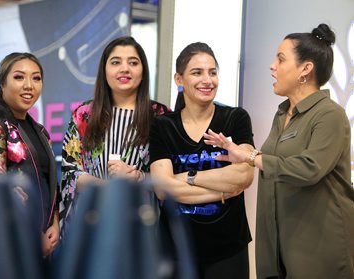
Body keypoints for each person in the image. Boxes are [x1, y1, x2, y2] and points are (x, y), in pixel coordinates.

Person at [204, 23, 354, 278]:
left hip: (318, 250)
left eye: (281, 59)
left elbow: (309, 169)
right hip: (278, 246)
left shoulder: (330, 115)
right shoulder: (283, 114)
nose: (272, 66)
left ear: (305, 69)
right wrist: (242, 156)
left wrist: (251, 157)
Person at [149, 42, 255, 278]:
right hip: (175, 250)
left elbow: (244, 175)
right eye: (197, 72)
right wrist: (225, 191)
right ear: (179, 79)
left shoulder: (235, 118)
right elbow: (163, 189)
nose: (207, 80)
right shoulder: (163, 126)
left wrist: (188, 177)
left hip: (228, 249)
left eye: (213, 72)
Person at [59, 36, 169, 237]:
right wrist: (109, 187)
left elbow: (171, 177)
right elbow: (70, 171)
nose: (124, 69)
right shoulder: (84, 114)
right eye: (116, 62)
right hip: (89, 225)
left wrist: (139, 177)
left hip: (142, 227)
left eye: (133, 63)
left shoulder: (160, 116)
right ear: (104, 70)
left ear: (143, 71)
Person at [0, 52, 60, 258]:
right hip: (8, 241)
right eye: (19, 77)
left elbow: (50, 182)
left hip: (44, 238)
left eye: (36, 78)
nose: (29, 85)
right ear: (3, 83)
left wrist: (54, 222)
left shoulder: (40, 130)